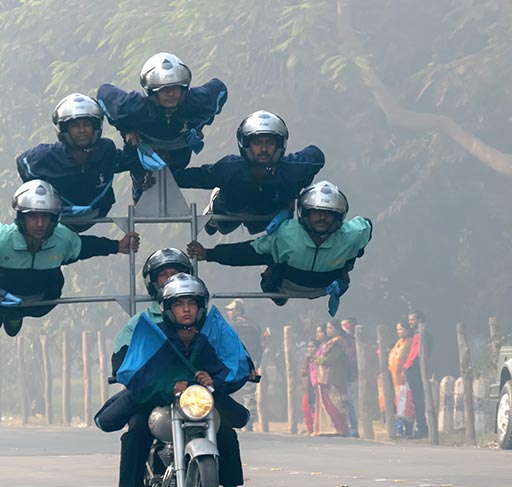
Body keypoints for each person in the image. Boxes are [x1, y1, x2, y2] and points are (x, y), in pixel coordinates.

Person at [98, 273, 256, 487]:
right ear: (167, 308)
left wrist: (214, 379)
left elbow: (234, 360)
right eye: (179, 304)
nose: (186, 310)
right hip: (157, 399)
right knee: (136, 429)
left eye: (192, 304)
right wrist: (166, 385)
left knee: (226, 430)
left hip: (199, 400)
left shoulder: (213, 329)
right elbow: (133, 368)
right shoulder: (151, 332)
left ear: (201, 307)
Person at [0, 179, 140, 337]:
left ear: (53, 219)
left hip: (39, 300)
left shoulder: (63, 239)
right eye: (33, 216)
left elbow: (83, 247)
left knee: (47, 293)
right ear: (21, 217)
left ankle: (16, 315)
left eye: (45, 217)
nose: (40, 224)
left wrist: (117, 246)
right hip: (1, 295)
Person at [187, 180, 372, 316]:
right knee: (269, 264)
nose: (322, 219)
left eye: (328, 215)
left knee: (346, 269)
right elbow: (248, 253)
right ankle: (277, 292)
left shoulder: (352, 235)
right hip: (285, 286)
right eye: (316, 213)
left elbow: (367, 226)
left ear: (338, 217)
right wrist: (209, 254)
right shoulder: (285, 235)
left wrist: (354, 256)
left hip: (325, 287)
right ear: (305, 213)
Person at [97, 52, 227, 201]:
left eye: (175, 88)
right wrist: (125, 129)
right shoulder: (135, 105)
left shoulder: (195, 101)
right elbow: (103, 93)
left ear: (184, 88)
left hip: (179, 153)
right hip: (143, 152)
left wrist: (200, 124)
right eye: (164, 90)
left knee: (170, 184)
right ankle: (139, 184)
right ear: (151, 91)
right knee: (144, 195)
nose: (171, 94)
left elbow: (220, 90)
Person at [173, 110, 325, 235]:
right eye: (257, 143)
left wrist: (294, 193)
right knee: (222, 227)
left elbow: (316, 155)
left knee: (258, 229)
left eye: (270, 143)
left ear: (280, 145)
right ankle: (213, 208)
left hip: (268, 214)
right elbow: (193, 177)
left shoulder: (292, 168)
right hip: (230, 210)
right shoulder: (229, 169)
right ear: (245, 145)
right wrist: (155, 175)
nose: (264, 150)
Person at [16, 93, 133, 232]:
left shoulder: (106, 150)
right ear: (64, 129)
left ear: (96, 127)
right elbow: (22, 163)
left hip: (96, 214)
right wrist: (42, 192)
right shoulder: (44, 156)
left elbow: (128, 160)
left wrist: (129, 132)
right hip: (59, 219)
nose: (82, 130)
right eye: (75, 125)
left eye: (87, 124)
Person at [110, 248, 194, 372]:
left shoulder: (202, 318)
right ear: (153, 282)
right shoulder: (140, 322)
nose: (170, 279)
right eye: (163, 275)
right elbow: (121, 362)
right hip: (154, 387)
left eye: (175, 273)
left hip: (199, 387)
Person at [224, 299, 263, 431]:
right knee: (249, 393)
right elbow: (260, 346)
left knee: (228, 391)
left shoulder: (229, 325)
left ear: (238, 310)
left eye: (231, 310)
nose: (229, 312)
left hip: (233, 363)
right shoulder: (254, 326)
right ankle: (249, 423)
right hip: (250, 363)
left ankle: (227, 421)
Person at [313, 321, 352, 436]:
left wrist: (318, 360)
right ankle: (334, 428)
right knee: (330, 403)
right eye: (328, 328)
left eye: (330, 328)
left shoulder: (338, 342)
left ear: (336, 329)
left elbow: (329, 359)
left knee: (337, 404)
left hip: (336, 378)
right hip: (329, 378)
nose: (328, 330)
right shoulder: (330, 342)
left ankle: (341, 429)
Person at [403, 310, 430, 438]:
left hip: (416, 371)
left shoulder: (420, 335)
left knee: (418, 401)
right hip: (417, 370)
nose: (410, 322)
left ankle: (422, 428)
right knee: (417, 400)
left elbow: (414, 355)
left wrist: (406, 367)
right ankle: (421, 426)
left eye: (412, 320)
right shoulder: (418, 334)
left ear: (419, 320)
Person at [388, 319, 415, 438]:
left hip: (405, 378)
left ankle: (407, 430)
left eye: (401, 329)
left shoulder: (410, 342)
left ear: (408, 330)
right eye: (397, 329)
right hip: (395, 379)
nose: (399, 332)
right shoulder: (399, 342)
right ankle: (399, 429)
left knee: (407, 405)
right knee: (399, 404)